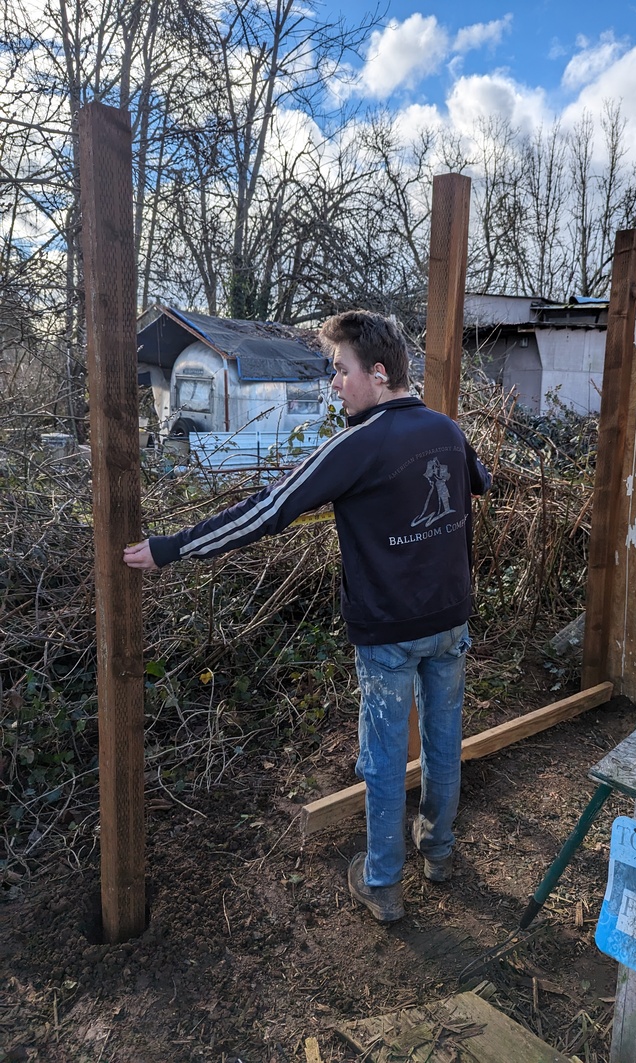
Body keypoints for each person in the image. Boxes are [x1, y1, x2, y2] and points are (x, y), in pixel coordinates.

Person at [124, 309, 492, 923]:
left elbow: (267, 510)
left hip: (390, 633)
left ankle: (382, 882)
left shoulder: (359, 444)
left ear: (377, 374)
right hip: (451, 621)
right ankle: (439, 854)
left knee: (380, 757)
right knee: (443, 743)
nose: (333, 384)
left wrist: (170, 548)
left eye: (340, 370)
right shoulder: (446, 430)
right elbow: (477, 482)